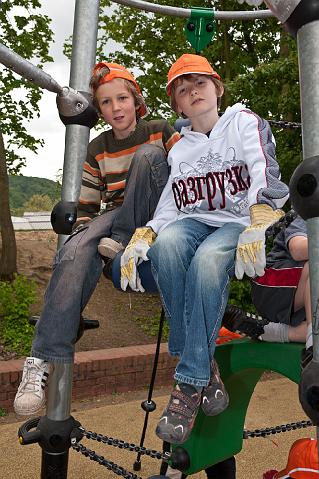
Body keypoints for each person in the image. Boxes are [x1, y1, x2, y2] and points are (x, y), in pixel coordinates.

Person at [120, 53, 289, 445]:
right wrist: (147, 232)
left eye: (199, 83)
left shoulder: (243, 122)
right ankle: (205, 367)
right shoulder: (180, 148)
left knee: (208, 262)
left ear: (218, 88)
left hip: (237, 222)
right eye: (182, 88)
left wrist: (261, 213)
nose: (192, 91)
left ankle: (188, 382)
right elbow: (172, 202)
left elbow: (264, 167)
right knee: (167, 248)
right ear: (176, 104)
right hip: (197, 220)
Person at [13, 61, 180, 416]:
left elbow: (190, 168)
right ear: (99, 109)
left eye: (122, 98)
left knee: (148, 157)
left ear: (136, 100)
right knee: (75, 248)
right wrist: (85, 240)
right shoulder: (98, 147)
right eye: (106, 102)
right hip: (116, 216)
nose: (116, 107)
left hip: (160, 210)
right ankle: (42, 356)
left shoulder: (158, 131)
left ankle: (120, 241)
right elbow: (89, 207)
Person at [223, 215, 313, 361]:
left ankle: (270, 331)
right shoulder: (309, 212)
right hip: (270, 285)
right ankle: (314, 348)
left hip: (301, 300)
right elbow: (297, 249)